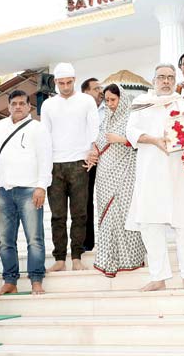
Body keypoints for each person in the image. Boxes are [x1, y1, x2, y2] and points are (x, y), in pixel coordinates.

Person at [126, 64, 184, 291]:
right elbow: (131, 132)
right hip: (150, 173)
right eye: (161, 77)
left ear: (175, 80)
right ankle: (158, 276)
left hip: (179, 172)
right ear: (154, 80)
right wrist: (156, 140)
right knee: (150, 224)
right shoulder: (140, 104)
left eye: (170, 77)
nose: (166, 81)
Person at [0, 90, 52, 297]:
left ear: (28, 107)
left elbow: (45, 159)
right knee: (6, 241)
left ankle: (36, 280)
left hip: (29, 190)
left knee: (34, 238)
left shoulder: (38, 128)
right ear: (8, 106)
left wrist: (41, 186)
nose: (18, 107)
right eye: (14, 103)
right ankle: (10, 281)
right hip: (3, 192)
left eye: (22, 103)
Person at [41, 62, 100, 271]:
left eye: (69, 82)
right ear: (55, 82)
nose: (65, 86)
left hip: (79, 163)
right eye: (61, 83)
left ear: (74, 80)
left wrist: (93, 151)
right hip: (54, 165)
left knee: (79, 213)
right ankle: (59, 259)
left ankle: (76, 257)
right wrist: (44, 166)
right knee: (57, 215)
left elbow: (95, 130)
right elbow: (44, 137)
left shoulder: (86, 101)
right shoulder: (48, 105)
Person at [86, 84, 146, 277]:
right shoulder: (104, 120)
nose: (110, 104)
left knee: (124, 212)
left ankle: (131, 258)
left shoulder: (132, 117)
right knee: (107, 213)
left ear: (122, 98)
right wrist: (93, 152)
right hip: (104, 173)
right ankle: (107, 260)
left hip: (126, 171)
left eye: (114, 100)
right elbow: (97, 142)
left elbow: (140, 140)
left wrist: (121, 139)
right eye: (107, 100)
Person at [81, 77, 105, 252]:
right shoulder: (78, 112)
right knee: (85, 201)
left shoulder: (108, 109)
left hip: (107, 160)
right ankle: (86, 242)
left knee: (107, 200)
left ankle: (109, 241)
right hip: (86, 161)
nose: (101, 92)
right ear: (85, 92)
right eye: (96, 89)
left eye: (101, 88)